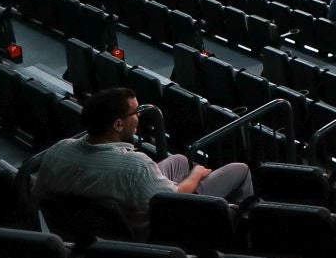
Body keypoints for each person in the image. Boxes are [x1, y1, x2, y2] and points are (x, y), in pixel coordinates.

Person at [31, 87, 254, 238]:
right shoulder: (135, 166)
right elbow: (176, 197)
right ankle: (241, 233)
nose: (139, 116)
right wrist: (197, 173)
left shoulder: (58, 150)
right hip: (152, 228)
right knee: (240, 169)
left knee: (178, 161)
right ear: (118, 124)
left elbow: (40, 193)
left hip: (83, 232)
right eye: (135, 112)